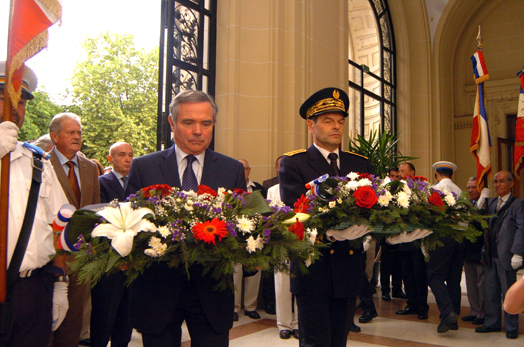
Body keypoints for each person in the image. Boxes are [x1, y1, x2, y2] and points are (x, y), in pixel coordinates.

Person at [125, 90, 246, 347]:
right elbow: (129, 225)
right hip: (157, 293)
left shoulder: (231, 169)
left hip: (212, 294)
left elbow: (242, 226)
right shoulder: (144, 167)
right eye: (188, 122)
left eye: (206, 123)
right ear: (172, 123)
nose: (198, 131)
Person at [279, 87, 373, 347]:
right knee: (315, 342)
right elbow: (293, 214)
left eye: (340, 122)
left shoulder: (360, 164)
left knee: (339, 340)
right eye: (329, 121)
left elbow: (373, 209)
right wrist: (328, 232)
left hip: (348, 267)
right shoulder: (295, 163)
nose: (336, 127)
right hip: (313, 271)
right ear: (311, 125)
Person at [0, 62, 69, 346]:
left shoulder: (37, 161)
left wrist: (60, 283)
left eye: (21, 101)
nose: (14, 107)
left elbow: (61, 222)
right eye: (5, 97)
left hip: (33, 290)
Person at [48, 112, 101, 347]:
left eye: (79, 132)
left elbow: (95, 209)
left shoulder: (90, 168)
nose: (77, 136)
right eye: (71, 132)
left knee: (74, 317)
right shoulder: (40, 163)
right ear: (54, 136)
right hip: (51, 254)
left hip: (81, 255)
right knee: (47, 316)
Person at [90, 142, 134, 347]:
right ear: (110, 159)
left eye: (131, 155)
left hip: (134, 261)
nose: (128, 159)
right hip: (108, 261)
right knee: (104, 315)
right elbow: (99, 220)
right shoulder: (100, 182)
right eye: (122, 155)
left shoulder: (137, 182)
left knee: (126, 317)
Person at [475, 171, 524, 340]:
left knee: (509, 292)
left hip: (507, 256)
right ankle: (492, 323)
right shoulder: (492, 202)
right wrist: (481, 202)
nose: (497, 185)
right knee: (491, 292)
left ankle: (511, 326)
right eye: (495, 182)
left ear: (511, 184)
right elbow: (477, 220)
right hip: (490, 255)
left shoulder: (518, 204)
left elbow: (521, 228)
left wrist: (517, 252)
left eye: (501, 181)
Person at [426, 161, 464, 333]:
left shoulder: (434, 190)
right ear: (452, 175)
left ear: (437, 175)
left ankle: (448, 312)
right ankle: (454, 317)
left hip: (442, 237)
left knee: (435, 276)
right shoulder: (460, 191)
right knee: (454, 279)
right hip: (460, 238)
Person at [395, 162, 429, 320]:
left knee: (419, 275)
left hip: (417, 239)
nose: (400, 174)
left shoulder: (420, 189)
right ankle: (411, 303)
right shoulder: (396, 190)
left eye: (403, 171)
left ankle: (422, 306)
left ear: (412, 172)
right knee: (406, 275)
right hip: (402, 240)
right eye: (399, 171)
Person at [233, 159, 265, 321]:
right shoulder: (230, 188)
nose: (242, 172)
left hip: (255, 234)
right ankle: (234, 307)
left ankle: (251, 306)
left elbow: (267, 210)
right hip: (236, 236)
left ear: (249, 170)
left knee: (254, 272)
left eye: (244, 169)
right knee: (235, 272)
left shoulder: (258, 188)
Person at [267, 184, 299, 339]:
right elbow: (268, 215)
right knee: (281, 285)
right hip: (280, 242)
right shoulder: (273, 190)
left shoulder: (302, 185)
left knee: (301, 284)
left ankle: (299, 324)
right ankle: (284, 325)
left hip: (301, 241)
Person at [461, 177, 487, 325]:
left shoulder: (486, 205)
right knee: (470, 284)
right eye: (469, 187)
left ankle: (482, 312)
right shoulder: (466, 205)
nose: (471, 190)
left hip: (480, 250)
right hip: (467, 250)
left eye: (474, 187)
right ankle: (474, 310)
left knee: (481, 284)